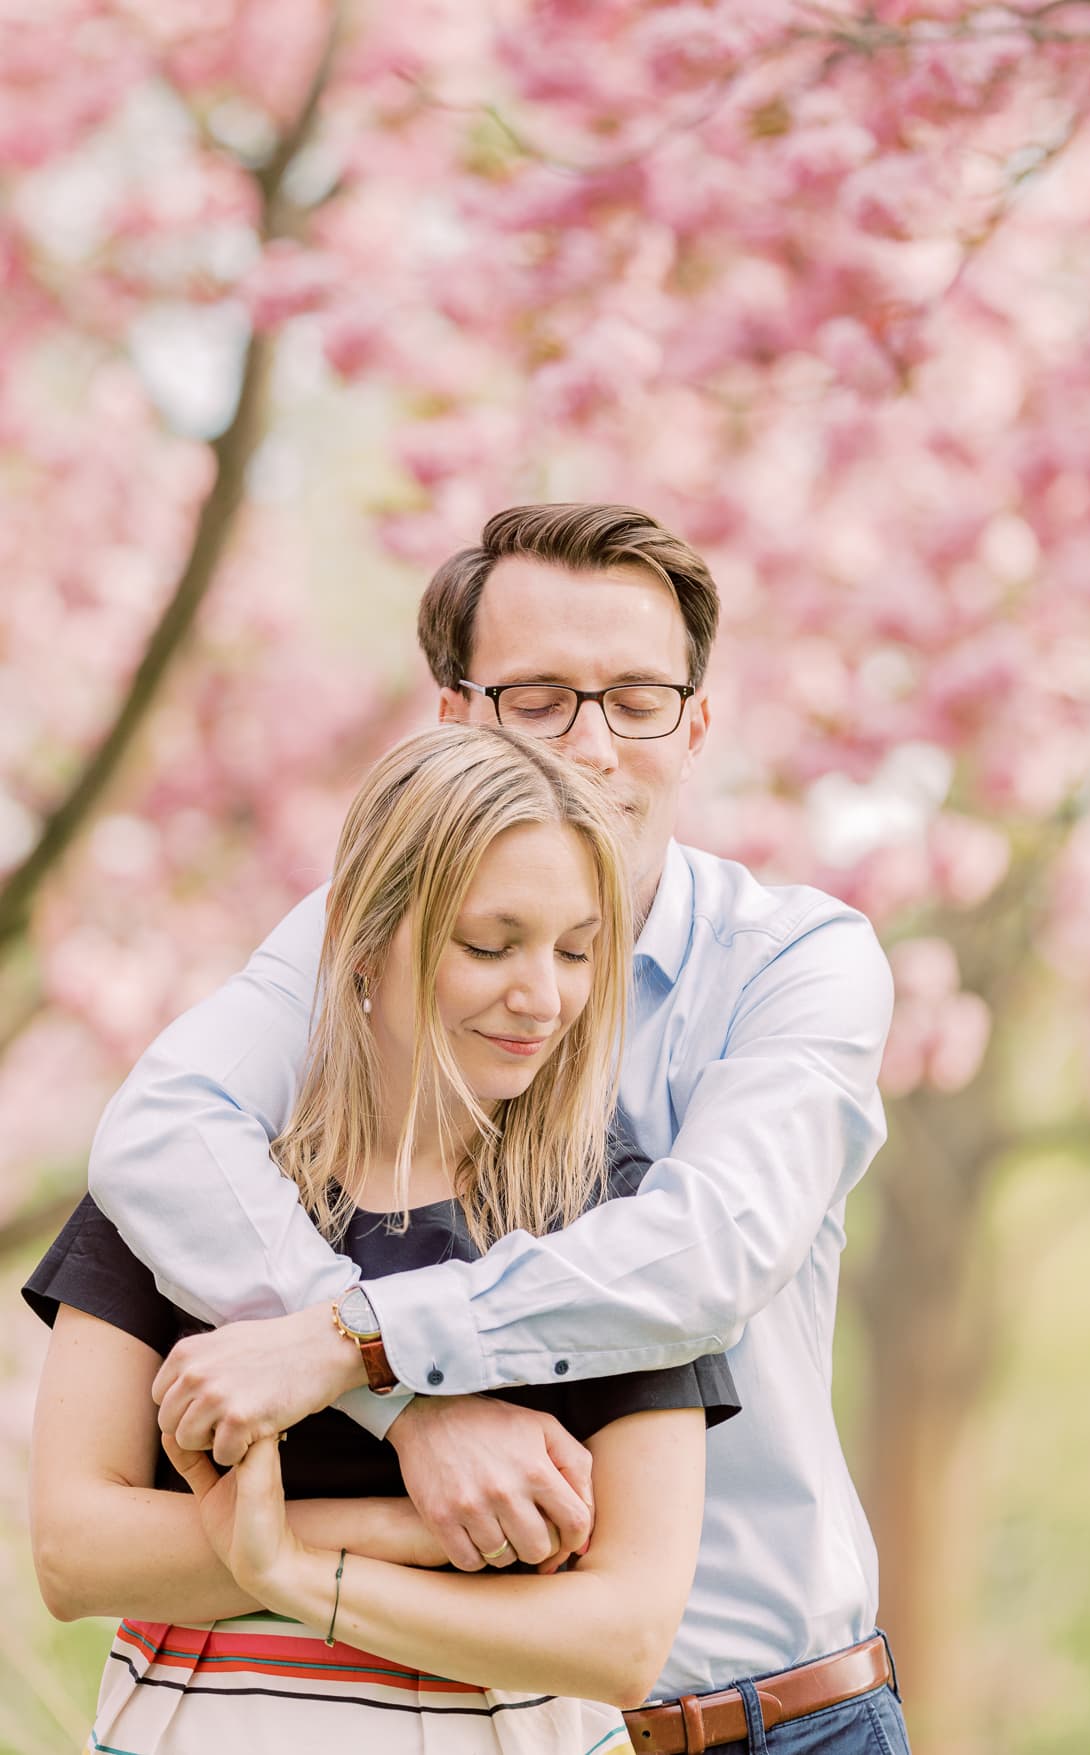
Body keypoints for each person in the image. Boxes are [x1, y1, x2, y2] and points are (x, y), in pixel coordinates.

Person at [88, 503, 909, 1753]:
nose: (591, 745)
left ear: (696, 724)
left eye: (637, 698)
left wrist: (367, 1341)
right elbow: (161, 1129)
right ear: (457, 718)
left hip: (768, 1716)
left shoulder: (797, 962)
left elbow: (707, 1256)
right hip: (481, 1714)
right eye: (538, 697)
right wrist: (412, 1411)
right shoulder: (358, 941)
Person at [27, 725, 738, 1753]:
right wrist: (401, 1529)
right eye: (490, 945)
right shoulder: (198, 1188)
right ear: (367, 935)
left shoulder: (611, 1219)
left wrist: (290, 1573)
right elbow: (74, 1555)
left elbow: (621, 1635)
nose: (542, 996)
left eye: (577, 950)